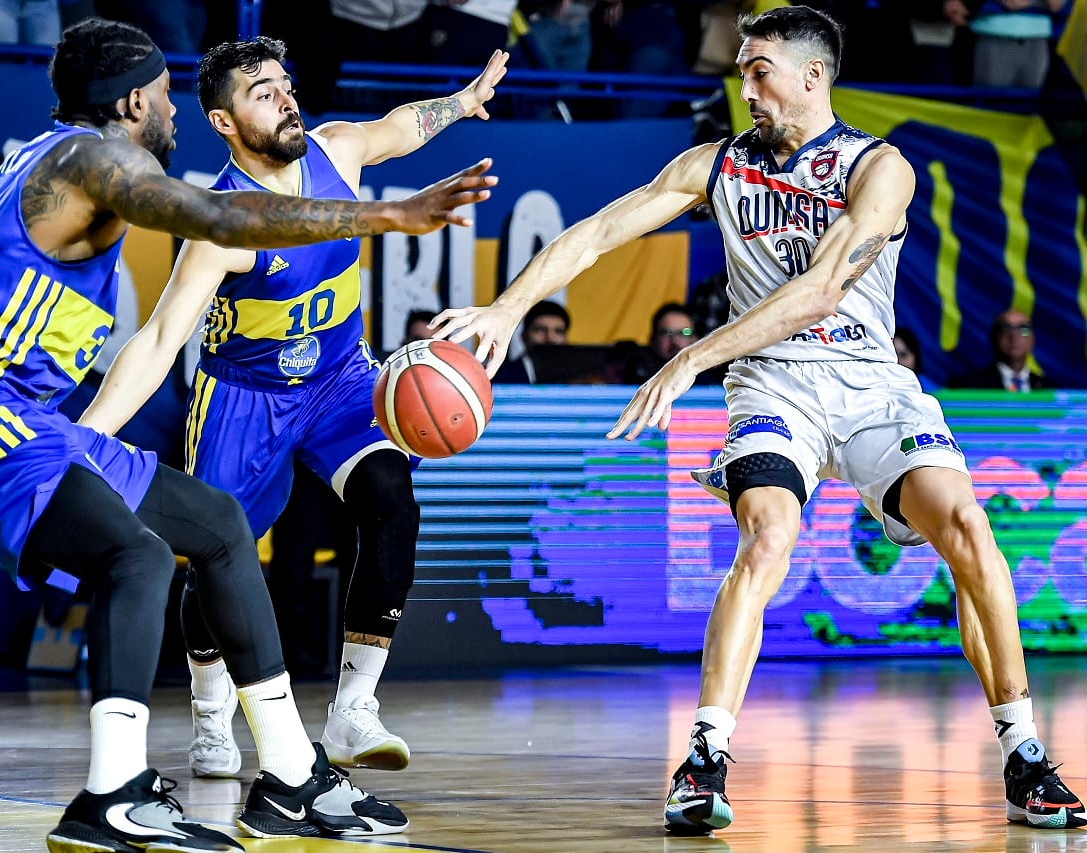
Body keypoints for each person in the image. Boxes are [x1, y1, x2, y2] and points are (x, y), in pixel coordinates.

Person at [0, 18, 495, 852]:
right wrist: (390, 214)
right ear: (134, 99)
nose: (172, 109)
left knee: (216, 527)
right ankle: (113, 792)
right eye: (168, 93)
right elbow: (218, 214)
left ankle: (289, 776)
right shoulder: (103, 162)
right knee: (135, 557)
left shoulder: (40, 161)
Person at [432, 5, 1084, 836]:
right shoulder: (716, 167)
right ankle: (703, 757)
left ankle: (1024, 753)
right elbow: (599, 230)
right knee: (767, 537)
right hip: (773, 388)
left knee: (968, 527)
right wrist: (506, 307)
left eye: (759, 70)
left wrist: (690, 355)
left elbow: (819, 292)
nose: (745, 86)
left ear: (814, 76)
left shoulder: (879, 169)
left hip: (873, 384)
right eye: (742, 70)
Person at [73, 37, 508, 779]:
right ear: (223, 121)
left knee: (391, 499)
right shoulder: (218, 225)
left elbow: (399, 126)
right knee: (217, 556)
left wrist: (462, 103)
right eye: (261, 92)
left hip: (340, 379)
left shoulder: (336, 153)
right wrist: (83, 440)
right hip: (245, 398)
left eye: (285, 83)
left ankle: (351, 710)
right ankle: (212, 717)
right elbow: (155, 344)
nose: (285, 98)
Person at [948, 308, 1050, 392]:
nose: (1014, 337)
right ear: (994, 337)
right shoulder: (966, 386)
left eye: (1023, 329)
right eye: (1006, 329)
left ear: (1032, 339)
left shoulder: (1050, 389)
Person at [492, 299, 569, 383]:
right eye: (540, 330)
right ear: (524, 336)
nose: (550, 338)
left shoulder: (577, 378)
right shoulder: (499, 375)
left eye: (558, 331)